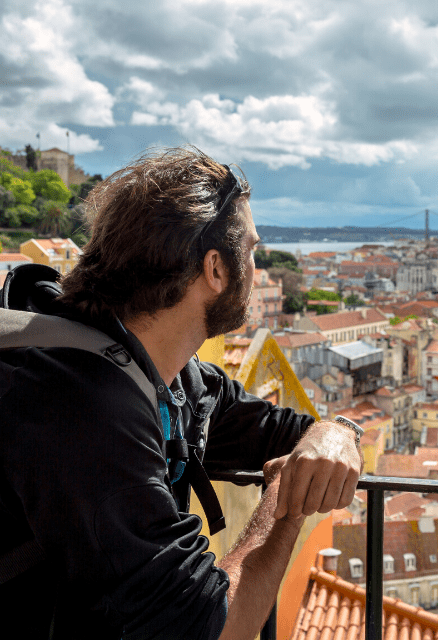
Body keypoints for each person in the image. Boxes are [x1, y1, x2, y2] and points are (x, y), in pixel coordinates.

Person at [0, 147, 362, 640]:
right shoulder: (80, 403)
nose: (258, 268)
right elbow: (211, 629)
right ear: (216, 270)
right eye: (252, 249)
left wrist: (338, 433)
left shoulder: (171, 377)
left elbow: (281, 430)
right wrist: (284, 506)